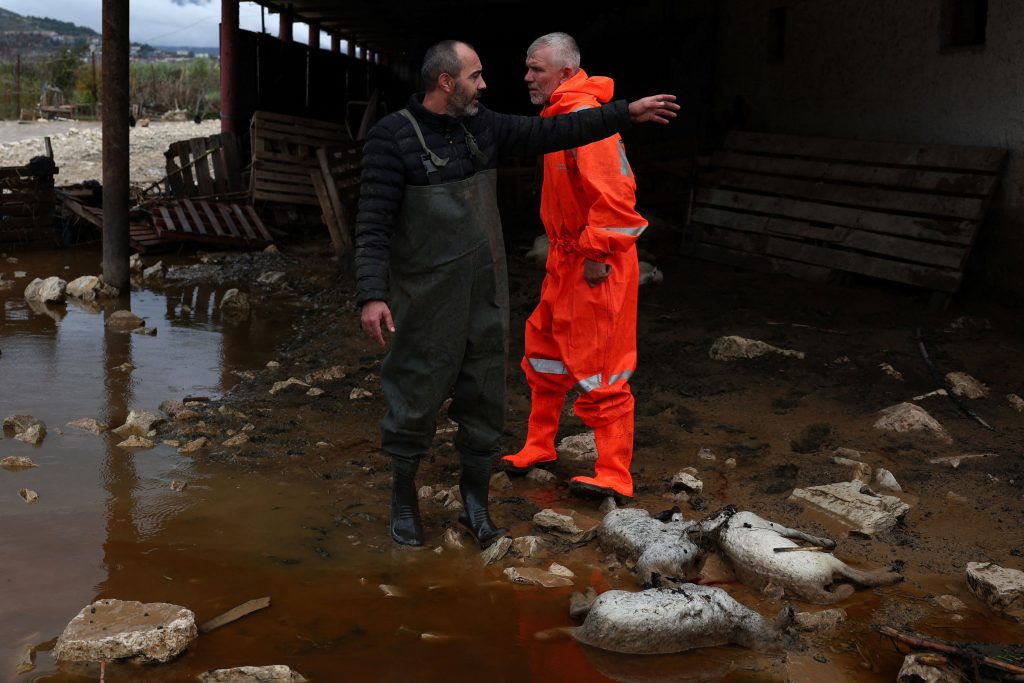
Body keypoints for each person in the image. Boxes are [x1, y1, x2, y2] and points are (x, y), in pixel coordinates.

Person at [355, 39, 678, 548]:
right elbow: (372, 222)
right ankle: (403, 500)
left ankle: (476, 506)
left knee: (486, 394)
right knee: (415, 390)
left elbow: (556, 132)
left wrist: (625, 113)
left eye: (530, 69)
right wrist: (372, 293)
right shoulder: (392, 137)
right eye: (476, 76)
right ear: (446, 82)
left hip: (488, 291)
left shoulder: (483, 126)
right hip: (425, 295)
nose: (487, 84)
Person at [502, 32, 655, 502]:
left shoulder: (585, 119)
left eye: (536, 69)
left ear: (565, 72)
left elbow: (617, 197)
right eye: (528, 68)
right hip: (566, 258)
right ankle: (539, 445)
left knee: (600, 361)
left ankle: (614, 473)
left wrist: (596, 255)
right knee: (544, 349)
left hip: (594, 263)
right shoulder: (561, 119)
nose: (527, 77)